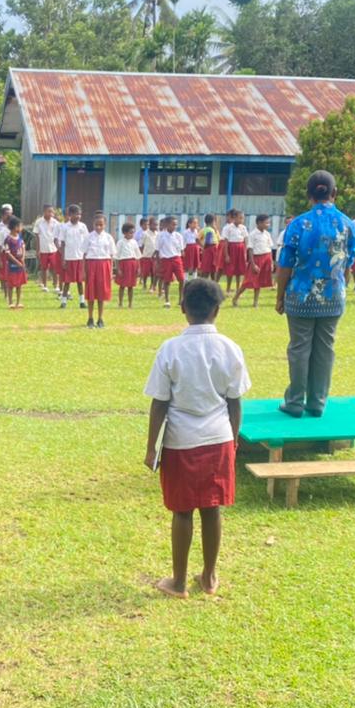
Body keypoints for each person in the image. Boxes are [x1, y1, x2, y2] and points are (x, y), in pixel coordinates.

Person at [143, 279, 250, 600]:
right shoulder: (230, 348)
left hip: (180, 441)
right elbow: (235, 401)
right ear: (217, 310)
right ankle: (209, 575)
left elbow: (159, 402)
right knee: (212, 508)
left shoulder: (170, 349)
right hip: (218, 439)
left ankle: (177, 581)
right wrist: (232, 440)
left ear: (182, 308)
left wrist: (151, 447)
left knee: (182, 511)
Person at [274, 170, 355, 418]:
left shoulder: (298, 225)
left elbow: (285, 265)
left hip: (300, 297)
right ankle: (318, 402)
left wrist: (280, 297)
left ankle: (294, 402)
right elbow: (349, 261)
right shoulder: (347, 224)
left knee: (300, 348)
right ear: (334, 193)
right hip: (333, 296)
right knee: (325, 348)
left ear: (308, 194)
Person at [81, 213, 116, 328]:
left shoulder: (108, 238)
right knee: (91, 294)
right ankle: (90, 318)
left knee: (101, 294)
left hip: (104, 265)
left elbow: (111, 256)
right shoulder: (89, 237)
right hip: (91, 265)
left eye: (101, 225)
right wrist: (83, 271)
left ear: (105, 225)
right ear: (93, 224)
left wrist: (110, 272)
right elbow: (84, 255)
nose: (98, 227)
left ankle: (100, 319)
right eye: (96, 225)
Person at [233, 212, 273, 308]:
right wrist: (253, 264)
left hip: (266, 257)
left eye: (269, 223)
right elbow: (250, 249)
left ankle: (255, 302)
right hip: (256, 259)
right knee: (248, 281)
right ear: (259, 223)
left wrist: (271, 262)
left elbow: (270, 248)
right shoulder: (253, 234)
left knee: (259, 281)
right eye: (266, 223)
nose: (268, 225)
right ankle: (235, 298)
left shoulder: (267, 234)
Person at [57, 205, 88, 308]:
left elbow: (86, 242)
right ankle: (64, 301)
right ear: (70, 215)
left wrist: (85, 257)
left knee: (80, 281)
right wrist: (63, 259)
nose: (78, 216)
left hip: (79, 257)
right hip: (69, 258)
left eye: (79, 214)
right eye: (76, 214)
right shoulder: (65, 227)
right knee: (67, 281)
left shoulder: (83, 226)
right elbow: (63, 244)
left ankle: (82, 301)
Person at [157, 215, 186, 308]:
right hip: (166, 259)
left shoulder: (178, 236)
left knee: (181, 279)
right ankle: (167, 300)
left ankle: (181, 299)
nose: (175, 226)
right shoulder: (161, 236)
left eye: (176, 225)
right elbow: (157, 249)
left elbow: (181, 250)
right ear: (167, 225)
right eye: (173, 224)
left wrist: (182, 258)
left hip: (176, 258)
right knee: (167, 280)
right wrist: (158, 262)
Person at [33, 205, 62, 292]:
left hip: (54, 248)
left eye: (52, 212)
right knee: (44, 268)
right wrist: (38, 250)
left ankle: (56, 285)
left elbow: (59, 236)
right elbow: (37, 236)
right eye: (49, 211)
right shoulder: (39, 222)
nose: (51, 214)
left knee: (55, 268)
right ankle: (45, 285)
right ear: (44, 212)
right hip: (43, 248)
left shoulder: (56, 223)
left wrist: (59, 248)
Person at [221, 210, 248, 294]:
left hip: (240, 248)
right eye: (240, 218)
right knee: (230, 269)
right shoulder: (228, 228)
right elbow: (225, 242)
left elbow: (246, 239)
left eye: (243, 218)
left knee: (239, 270)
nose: (241, 220)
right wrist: (226, 255)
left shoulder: (243, 228)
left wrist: (245, 251)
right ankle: (228, 288)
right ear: (234, 218)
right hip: (232, 249)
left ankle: (238, 288)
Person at [4, 216, 28, 309]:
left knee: (19, 284)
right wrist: (16, 261)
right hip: (12, 265)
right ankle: (10, 302)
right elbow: (7, 253)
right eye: (20, 226)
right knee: (11, 284)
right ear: (15, 227)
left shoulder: (20, 237)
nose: (21, 228)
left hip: (20, 264)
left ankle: (18, 302)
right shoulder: (8, 239)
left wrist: (23, 258)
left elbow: (23, 247)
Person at [116, 221, 141, 308]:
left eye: (133, 233)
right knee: (122, 285)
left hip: (132, 264)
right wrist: (118, 269)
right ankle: (120, 303)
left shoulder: (134, 242)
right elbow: (117, 256)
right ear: (125, 233)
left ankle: (130, 303)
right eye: (130, 233)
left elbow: (137, 256)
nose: (132, 235)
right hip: (123, 264)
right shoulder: (120, 242)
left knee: (131, 286)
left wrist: (138, 268)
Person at [0, 204, 13, 301]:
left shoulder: (13, 227)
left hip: (12, 253)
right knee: (4, 274)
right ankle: (5, 292)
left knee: (12, 273)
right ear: (2, 215)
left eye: (10, 214)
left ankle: (11, 293)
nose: (8, 216)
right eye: (6, 214)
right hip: (3, 252)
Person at [139, 215, 159, 292]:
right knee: (145, 272)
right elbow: (141, 245)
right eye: (154, 224)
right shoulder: (145, 234)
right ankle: (144, 284)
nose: (156, 226)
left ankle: (152, 286)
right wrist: (141, 255)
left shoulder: (158, 234)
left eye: (157, 224)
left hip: (155, 257)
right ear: (150, 225)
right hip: (146, 256)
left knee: (154, 272)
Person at [199, 213, 220, 281]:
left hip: (211, 249)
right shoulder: (209, 229)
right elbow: (208, 240)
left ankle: (210, 283)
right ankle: (207, 283)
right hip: (211, 249)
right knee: (209, 268)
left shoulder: (206, 229)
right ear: (213, 221)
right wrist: (204, 247)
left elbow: (197, 238)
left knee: (210, 268)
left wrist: (202, 246)